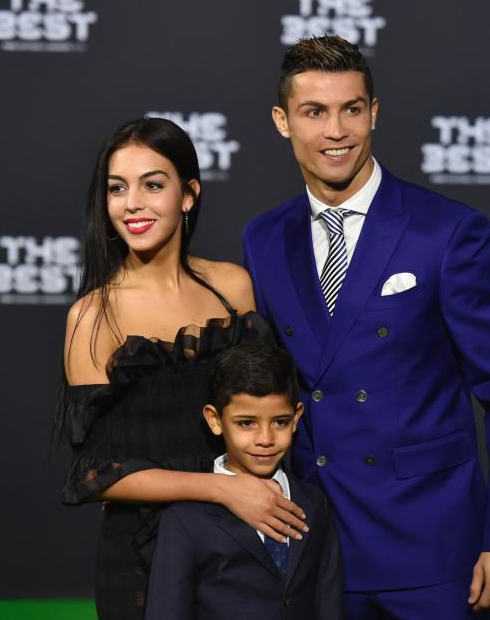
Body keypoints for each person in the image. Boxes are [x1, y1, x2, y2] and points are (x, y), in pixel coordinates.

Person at [242, 36, 490, 619]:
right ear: (282, 122)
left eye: (351, 109)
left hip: (433, 545)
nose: (337, 131)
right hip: (312, 541)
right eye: (314, 112)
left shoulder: (448, 231)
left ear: (374, 113)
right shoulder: (263, 237)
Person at [57, 118, 309, 620]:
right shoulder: (92, 315)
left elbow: (263, 405)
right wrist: (223, 488)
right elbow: (95, 474)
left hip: (242, 539)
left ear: (188, 195)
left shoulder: (232, 287)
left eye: (153, 185)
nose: (132, 203)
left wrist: (247, 492)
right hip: (142, 556)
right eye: (117, 188)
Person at [145, 341, 343, 620]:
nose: (265, 439)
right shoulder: (185, 519)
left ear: (297, 417)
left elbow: (328, 602)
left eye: (280, 422)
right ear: (214, 420)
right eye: (246, 423)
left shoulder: (313, 503)